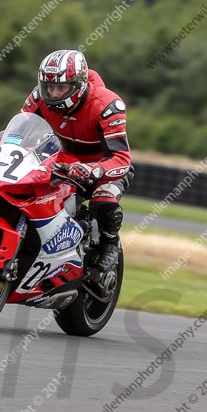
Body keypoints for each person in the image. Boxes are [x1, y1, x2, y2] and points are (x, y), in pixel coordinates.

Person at [21, 49, 132, 272]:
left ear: (79, 84)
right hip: (64, 160)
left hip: (105, 166)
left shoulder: (107, 105)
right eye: (48, 87)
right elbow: (18, 134)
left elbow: (122, 158)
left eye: (61, 87)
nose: (52, 93)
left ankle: (110, 243)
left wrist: (95, 171)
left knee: (103, 201)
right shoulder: (37, 98)